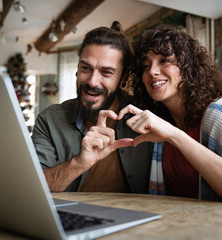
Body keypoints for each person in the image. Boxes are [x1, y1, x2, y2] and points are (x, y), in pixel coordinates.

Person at [117, 25, 222, 210]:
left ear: (187, 66)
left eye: (165, 61)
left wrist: (174, 135)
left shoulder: (219, 113)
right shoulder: (159, 122)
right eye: (146, 65)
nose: (152, 71)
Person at [31, 21, 152, 193]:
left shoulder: (148, 117)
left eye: (106, 72)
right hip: (70, 218)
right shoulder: (50, 119)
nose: (92, 81)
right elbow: (32, 187)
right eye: (86, 68)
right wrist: (79, 163)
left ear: (124, 76)